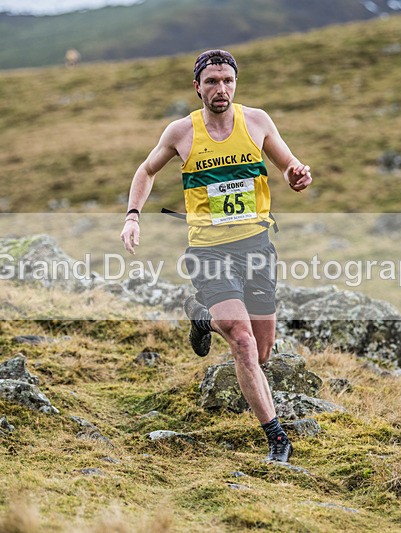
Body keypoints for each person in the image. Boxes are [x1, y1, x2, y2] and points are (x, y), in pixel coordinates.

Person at [120, 49, 312, 463]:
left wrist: (296, 175)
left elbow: (289, 165)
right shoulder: (181, 132)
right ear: (197, 87)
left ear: (235, 84)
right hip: (209, 250)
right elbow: (146, 171)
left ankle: (202, 317)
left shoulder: (257, 121)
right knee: (241, 340)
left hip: (257, 247)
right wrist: (133, 216)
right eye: (211, 82)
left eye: (227, 80)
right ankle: (277, 438)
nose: (220, 88)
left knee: (261, 352)